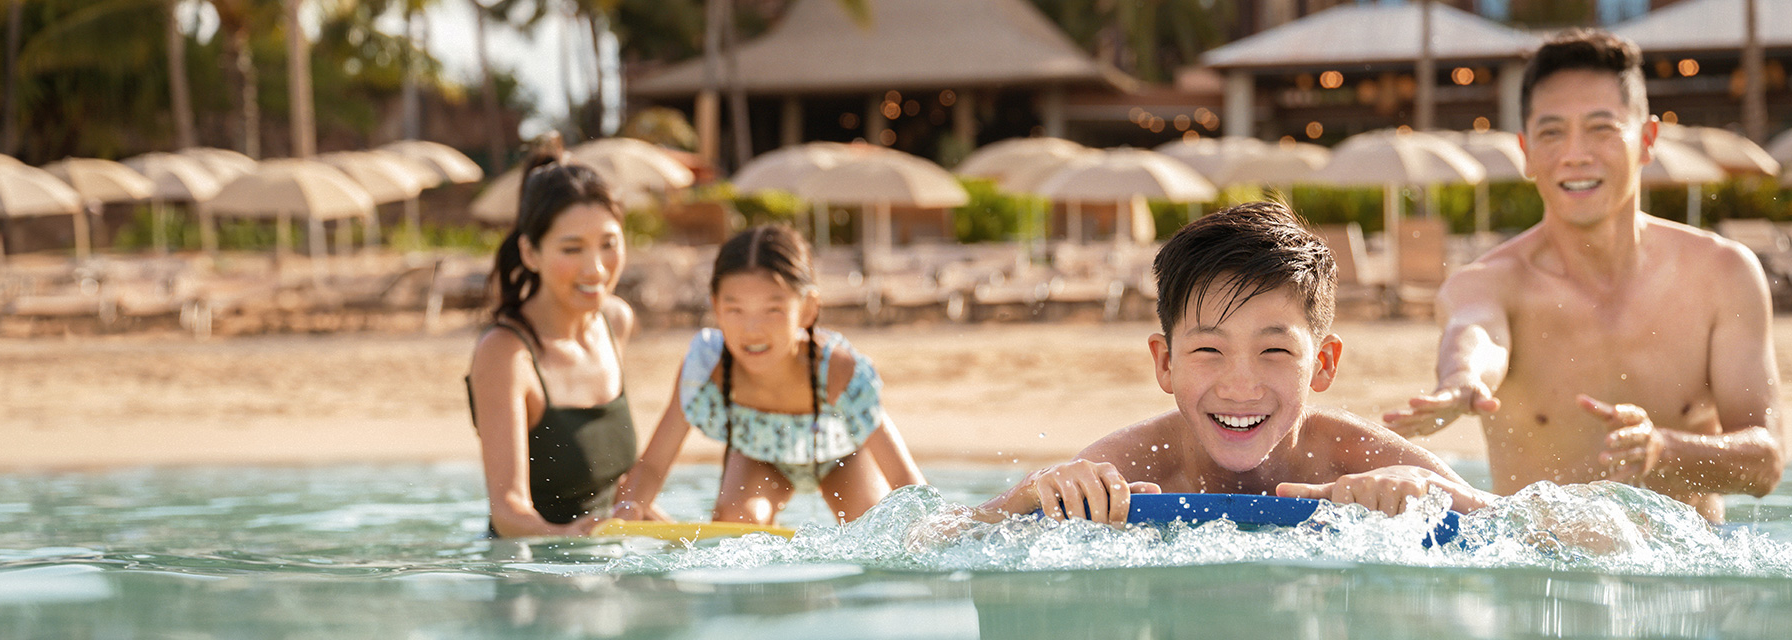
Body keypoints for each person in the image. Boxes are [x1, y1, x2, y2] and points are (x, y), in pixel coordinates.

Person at [1381, 29, 1785, 523]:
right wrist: (1461, 379)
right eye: (1552, 132)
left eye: (1601, 127)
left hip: (1687, 578)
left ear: (1647, 140)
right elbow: (1476, 333)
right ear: (1526, 151)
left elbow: (1766, 462)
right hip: (1542, 583)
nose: (1575, 154)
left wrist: (1663, 450)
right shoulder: (1486, 283)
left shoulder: (1723, 274)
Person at [980, 202, 1495, 523]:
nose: (1241, 385)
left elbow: (1526, 529)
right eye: (1208, 350)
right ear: (1165, 363)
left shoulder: (1360, 457)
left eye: (1274, 350)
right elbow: (932, 537)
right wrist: (1025, 497)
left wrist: (1441, 496)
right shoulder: (1136, 465)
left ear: (1323, 363)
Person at [618, 225, 926, 525]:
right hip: (759, 456)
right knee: (736, 522)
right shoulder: (706, 367)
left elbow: (904, 478)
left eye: (773, 310)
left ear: (807, 309)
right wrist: (627, 509)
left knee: (874, 525)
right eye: (735, 309)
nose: (752, 330)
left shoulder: (836, 369)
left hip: (840, 456)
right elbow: (654, 465)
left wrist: (929, 524)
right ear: (716, 307)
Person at [466, 136, 641, 537]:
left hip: (604, 564)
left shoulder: (615, 321)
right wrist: (566, 540)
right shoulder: (505, 353)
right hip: (532, 573)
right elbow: (508, 513)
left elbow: (617, 488)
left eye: (609, 244)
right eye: (572, 248)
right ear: (530, 253)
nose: (595, 269)